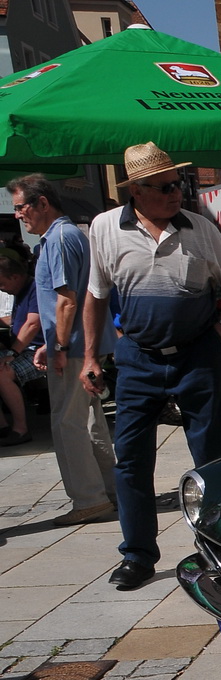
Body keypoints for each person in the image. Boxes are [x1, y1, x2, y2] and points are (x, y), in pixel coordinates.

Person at [82, 143, 221, 591]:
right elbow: (96, 296)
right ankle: (137, 555)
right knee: (131, 461)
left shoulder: (199, 228)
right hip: (137, 358)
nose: (176, 193)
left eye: (179, 184)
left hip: (198, 356)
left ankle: (219, 552)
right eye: (164, 187)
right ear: (136, 191)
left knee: (214, 462)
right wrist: (90, 357)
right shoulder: (103, 228)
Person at [9, 174, 118, 526]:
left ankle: (89, 499)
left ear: (42, 203)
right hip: (77, 346)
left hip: (72, 349)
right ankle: (109, 491)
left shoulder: (58, 239)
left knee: (67, 424)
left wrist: (56, 345)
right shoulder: (65, 236)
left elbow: (66, 301)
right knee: (90, 422)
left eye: (20, 207)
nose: (17, 215)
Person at [0, 252, 36, 446]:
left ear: (14, 277)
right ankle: (3, 425)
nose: (2, 289)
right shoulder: (20, 291)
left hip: (37, 350)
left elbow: (32, 324)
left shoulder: (35, 289)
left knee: (2, 373)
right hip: (23, 347)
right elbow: (17, 322)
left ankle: (20, 429)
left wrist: (12, 354)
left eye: (2, 284)